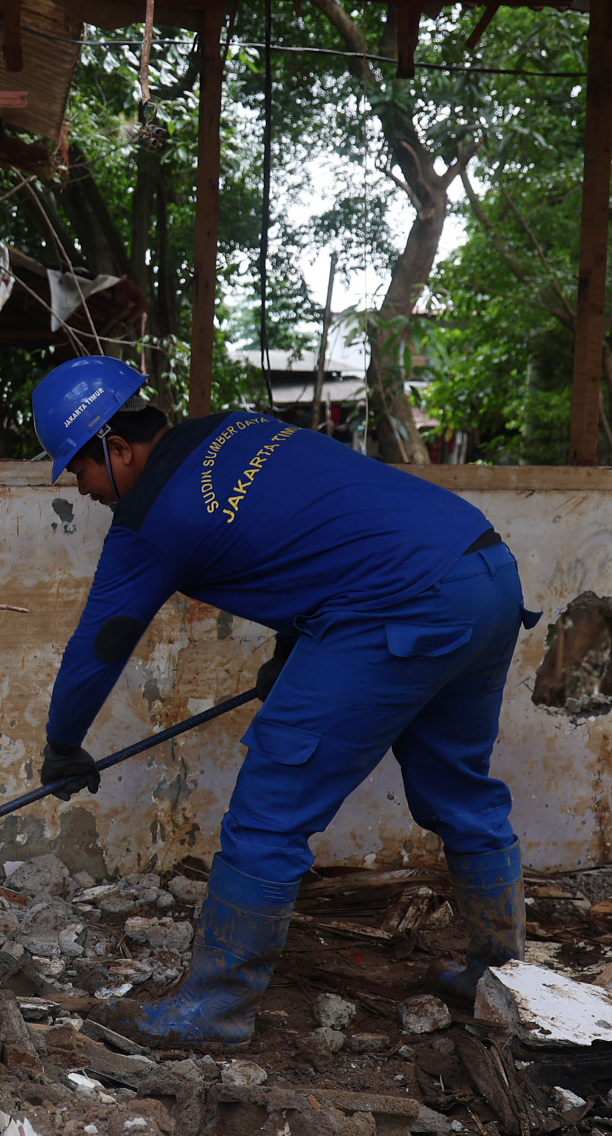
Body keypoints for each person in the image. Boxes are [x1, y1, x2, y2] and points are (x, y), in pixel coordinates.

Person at [29, 355, 537, 1047]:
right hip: (484, 572)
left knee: (272, 802)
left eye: (80, 469)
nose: (83, 488)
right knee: (458, 785)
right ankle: (502, 976)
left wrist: (62, 745)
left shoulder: (152, 518)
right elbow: (315, 539)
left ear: (117, 449)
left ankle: (212, 1008)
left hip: (397, 604)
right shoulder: (238, 430)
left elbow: (102, 643)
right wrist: (290, 658)